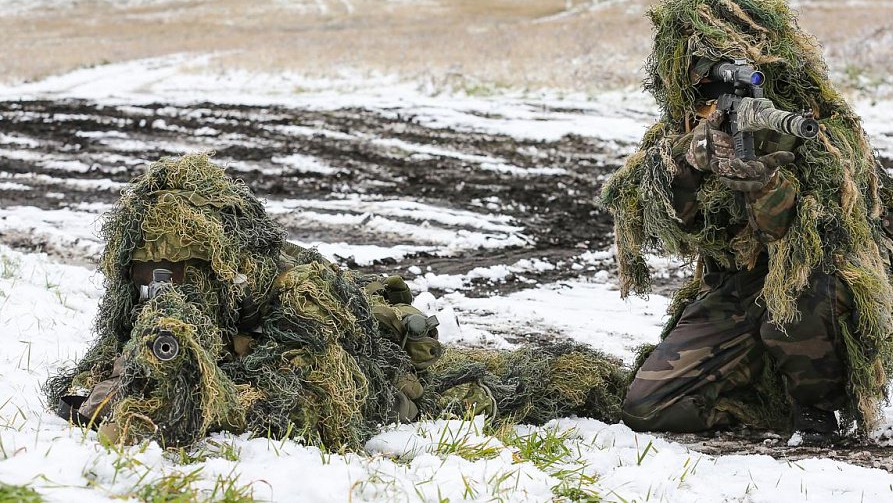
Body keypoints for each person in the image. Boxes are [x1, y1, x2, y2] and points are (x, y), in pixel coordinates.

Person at [47, 153, 627, 448]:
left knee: (465, 389)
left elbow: (322, 402)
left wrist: (213, 396)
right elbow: (112, 358)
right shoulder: (148, 300)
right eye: (151, 276)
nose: (166, 291)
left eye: (187, 274)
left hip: (360, 350)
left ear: (227, 266)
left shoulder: (291, 291)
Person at [600, 0, 893, 444]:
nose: (709, 102)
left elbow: (821, 241)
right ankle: (762, 390)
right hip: (742, 287)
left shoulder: (824, 135)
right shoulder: (684, 131)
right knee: (648, 408)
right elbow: (664, 222)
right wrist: (691, 162)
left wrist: (766, 187)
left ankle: (817, 408)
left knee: (805, 291)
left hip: (829, 278)